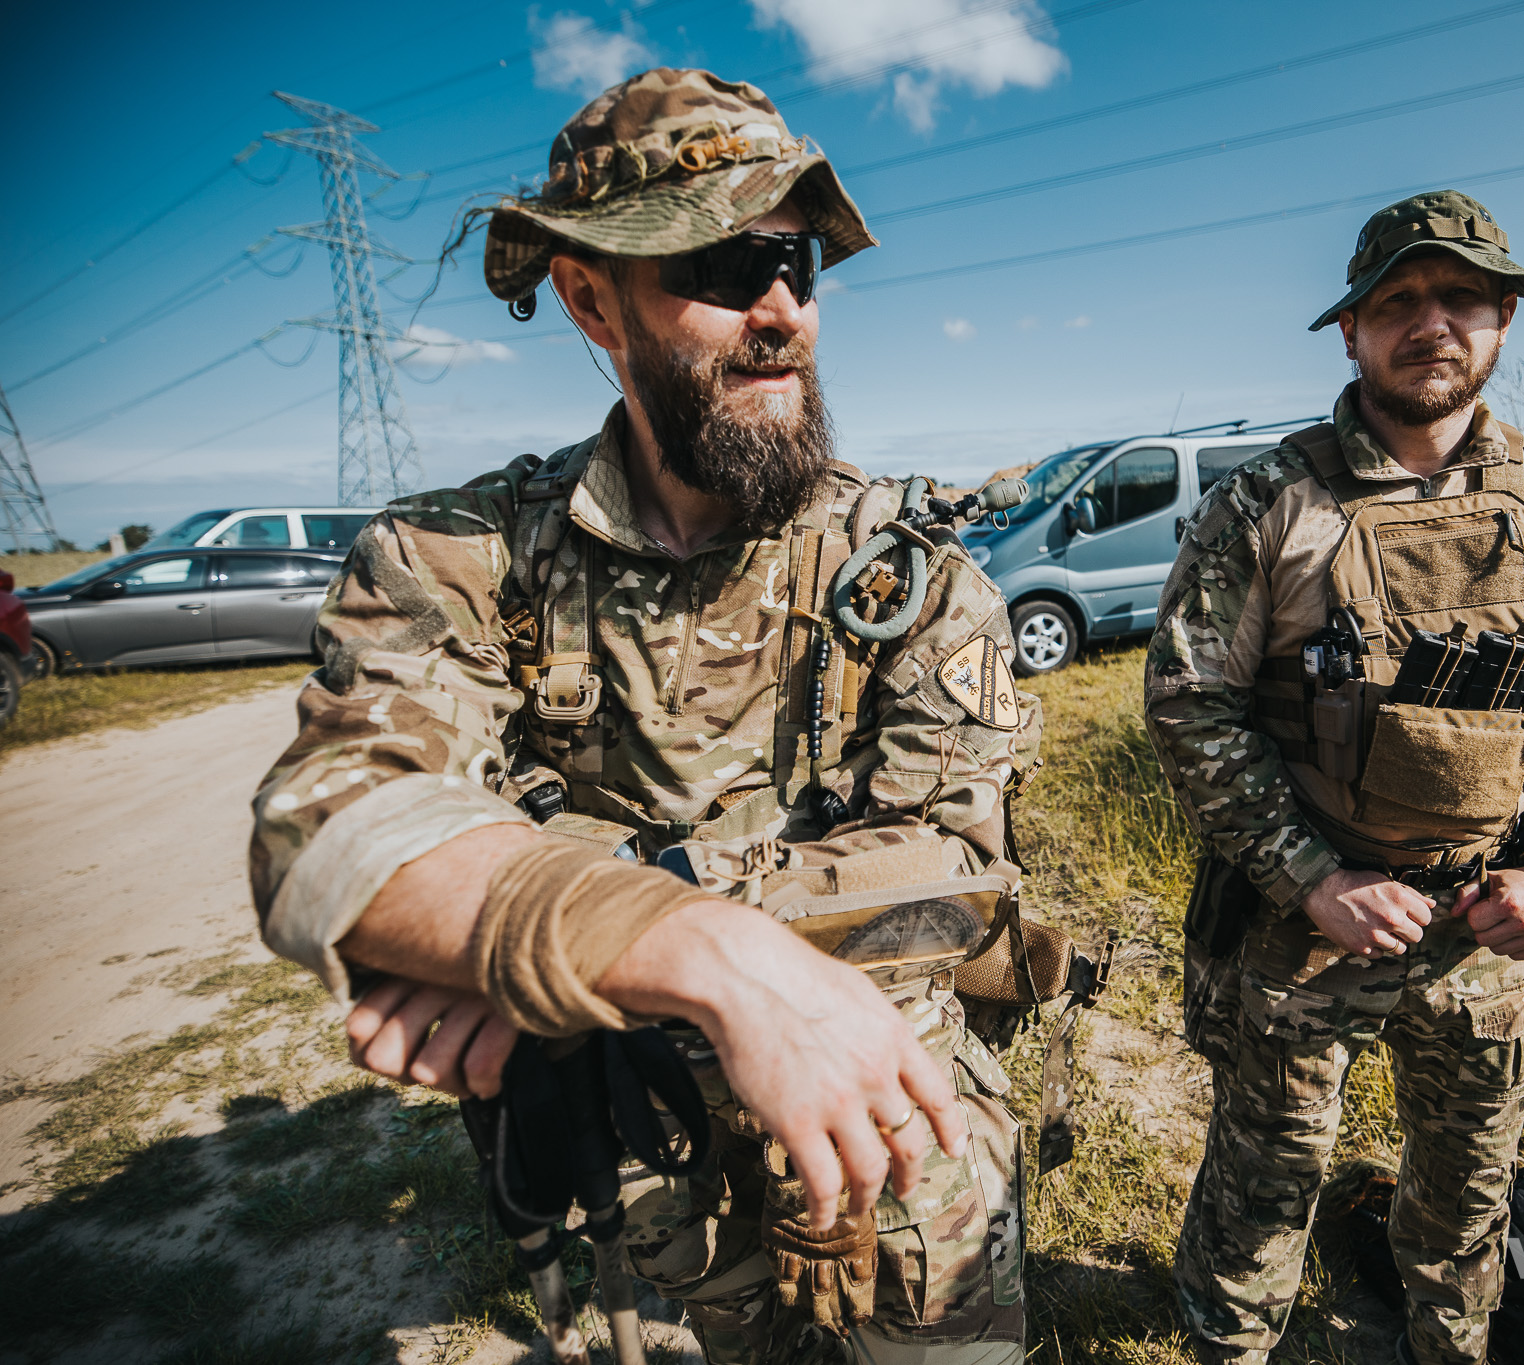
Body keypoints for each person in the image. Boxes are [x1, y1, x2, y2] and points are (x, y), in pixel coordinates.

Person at [249, 67, 1039, 1365]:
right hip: (635, 1165)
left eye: (797, 262)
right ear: (589, 300)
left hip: (896, 1112)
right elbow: (330, 828)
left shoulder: (911, 576)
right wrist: (713, 955)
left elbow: (950, 870)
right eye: (725, 263)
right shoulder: (459, 556)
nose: (781, 308)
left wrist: (541, 925)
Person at [1145, 190, 1524, 1365]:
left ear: (1502, 317)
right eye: (1395, 300)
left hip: (1489, 927)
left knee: (1464, 1199)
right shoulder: (1267, 502)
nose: (1428, 322)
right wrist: (1308, 876)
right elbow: (1190, 702)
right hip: (1307, 933)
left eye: (1457, 296)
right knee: (1263, 1185)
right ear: (1350, 331)